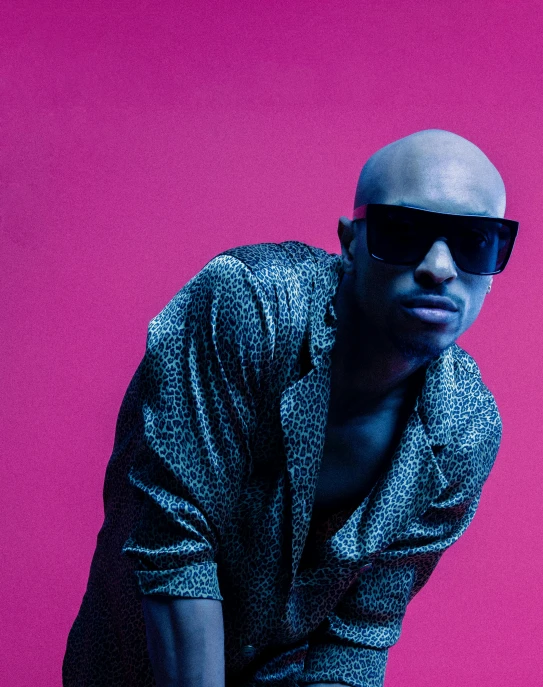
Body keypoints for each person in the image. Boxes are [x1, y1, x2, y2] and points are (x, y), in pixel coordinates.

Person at [63, 129, 518, 687]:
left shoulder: (464, 431)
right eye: (405, 232)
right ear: (350, 243)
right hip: (131, 667)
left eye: (475, 243)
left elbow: (357, 636)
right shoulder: (250, 307)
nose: (440, 267)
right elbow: (176, 542)